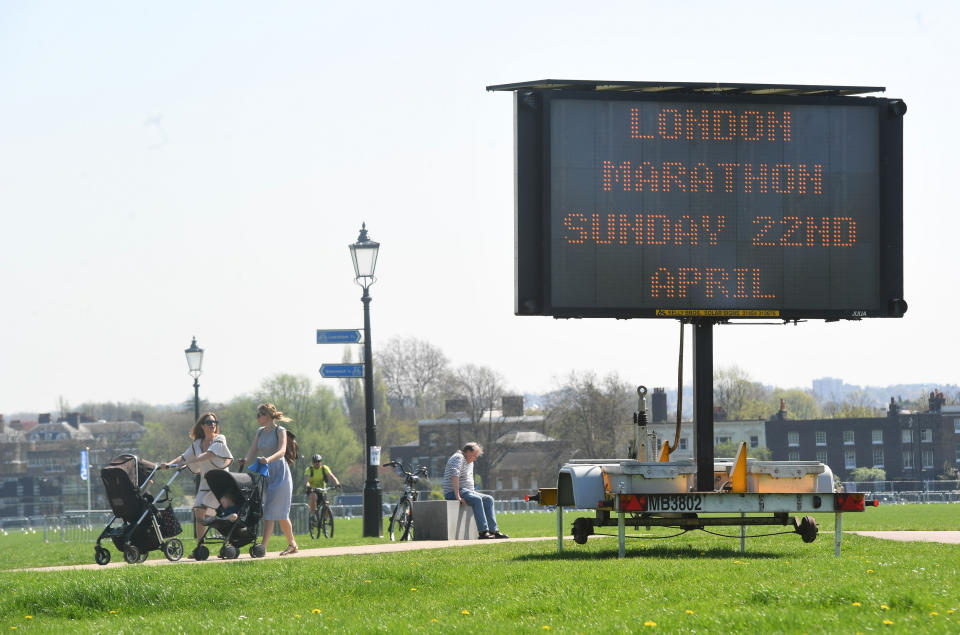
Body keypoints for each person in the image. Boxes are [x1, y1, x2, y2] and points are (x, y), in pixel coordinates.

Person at [164, 412, 233, 548]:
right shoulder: (197, 444)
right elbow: (183, 458)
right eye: (209, 422)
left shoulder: (220, 439)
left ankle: (229, 542)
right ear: (202, 426)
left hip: (221, 485)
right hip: (205, 484)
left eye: (214, 422)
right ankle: (200, 547)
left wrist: (191, 460)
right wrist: (169, 464)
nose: (212, 425)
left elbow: (208, 455)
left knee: (211, 512)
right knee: (198, 512)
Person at [238, 403, 298, 555]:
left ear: (268, 416)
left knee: (278, 511)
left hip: (280, 473)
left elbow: (282, 450)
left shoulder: (280, 430)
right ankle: (292, 545)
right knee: (271, 511)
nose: (257, 417)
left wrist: (268, 459)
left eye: (260, 414)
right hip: (267, 473)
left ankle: (263, 547)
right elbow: (253, 450)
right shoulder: (260, 432)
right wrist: (246, 460)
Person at [442, 442, 508, 539]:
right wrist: (458, 496)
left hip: (467, 491)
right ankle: (483, 532)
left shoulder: (469, 462)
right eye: (474, 456)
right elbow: (454, 476)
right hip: (454, 491)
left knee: (488, 499)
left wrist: (472, 492)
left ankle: (494, 531)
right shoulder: (458, 458)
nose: (475, 459)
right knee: (476, 499)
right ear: (468, 452)